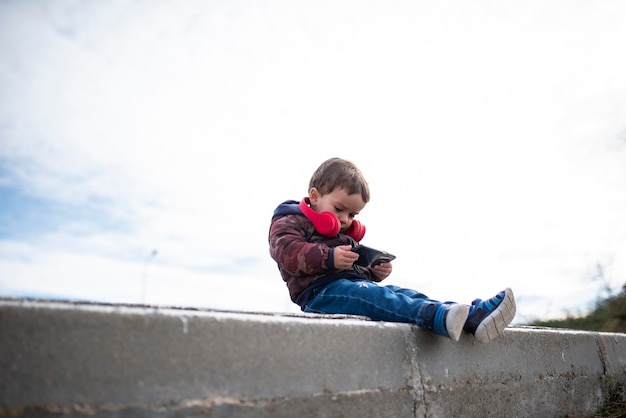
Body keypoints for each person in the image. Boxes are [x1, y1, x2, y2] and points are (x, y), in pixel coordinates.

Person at [268, 157, 516, 343]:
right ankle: (438, 317)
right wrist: (330, 258)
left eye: (352, 214)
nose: (345, 219)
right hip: (319, 295)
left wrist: (372, 270)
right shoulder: (289, 220)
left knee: (400, 292)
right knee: (376, 297)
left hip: (348, 287)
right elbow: (288, 253)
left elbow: (353, 273)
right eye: (339, 209)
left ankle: (472, 317)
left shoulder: (340, 233)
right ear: (314, 196)